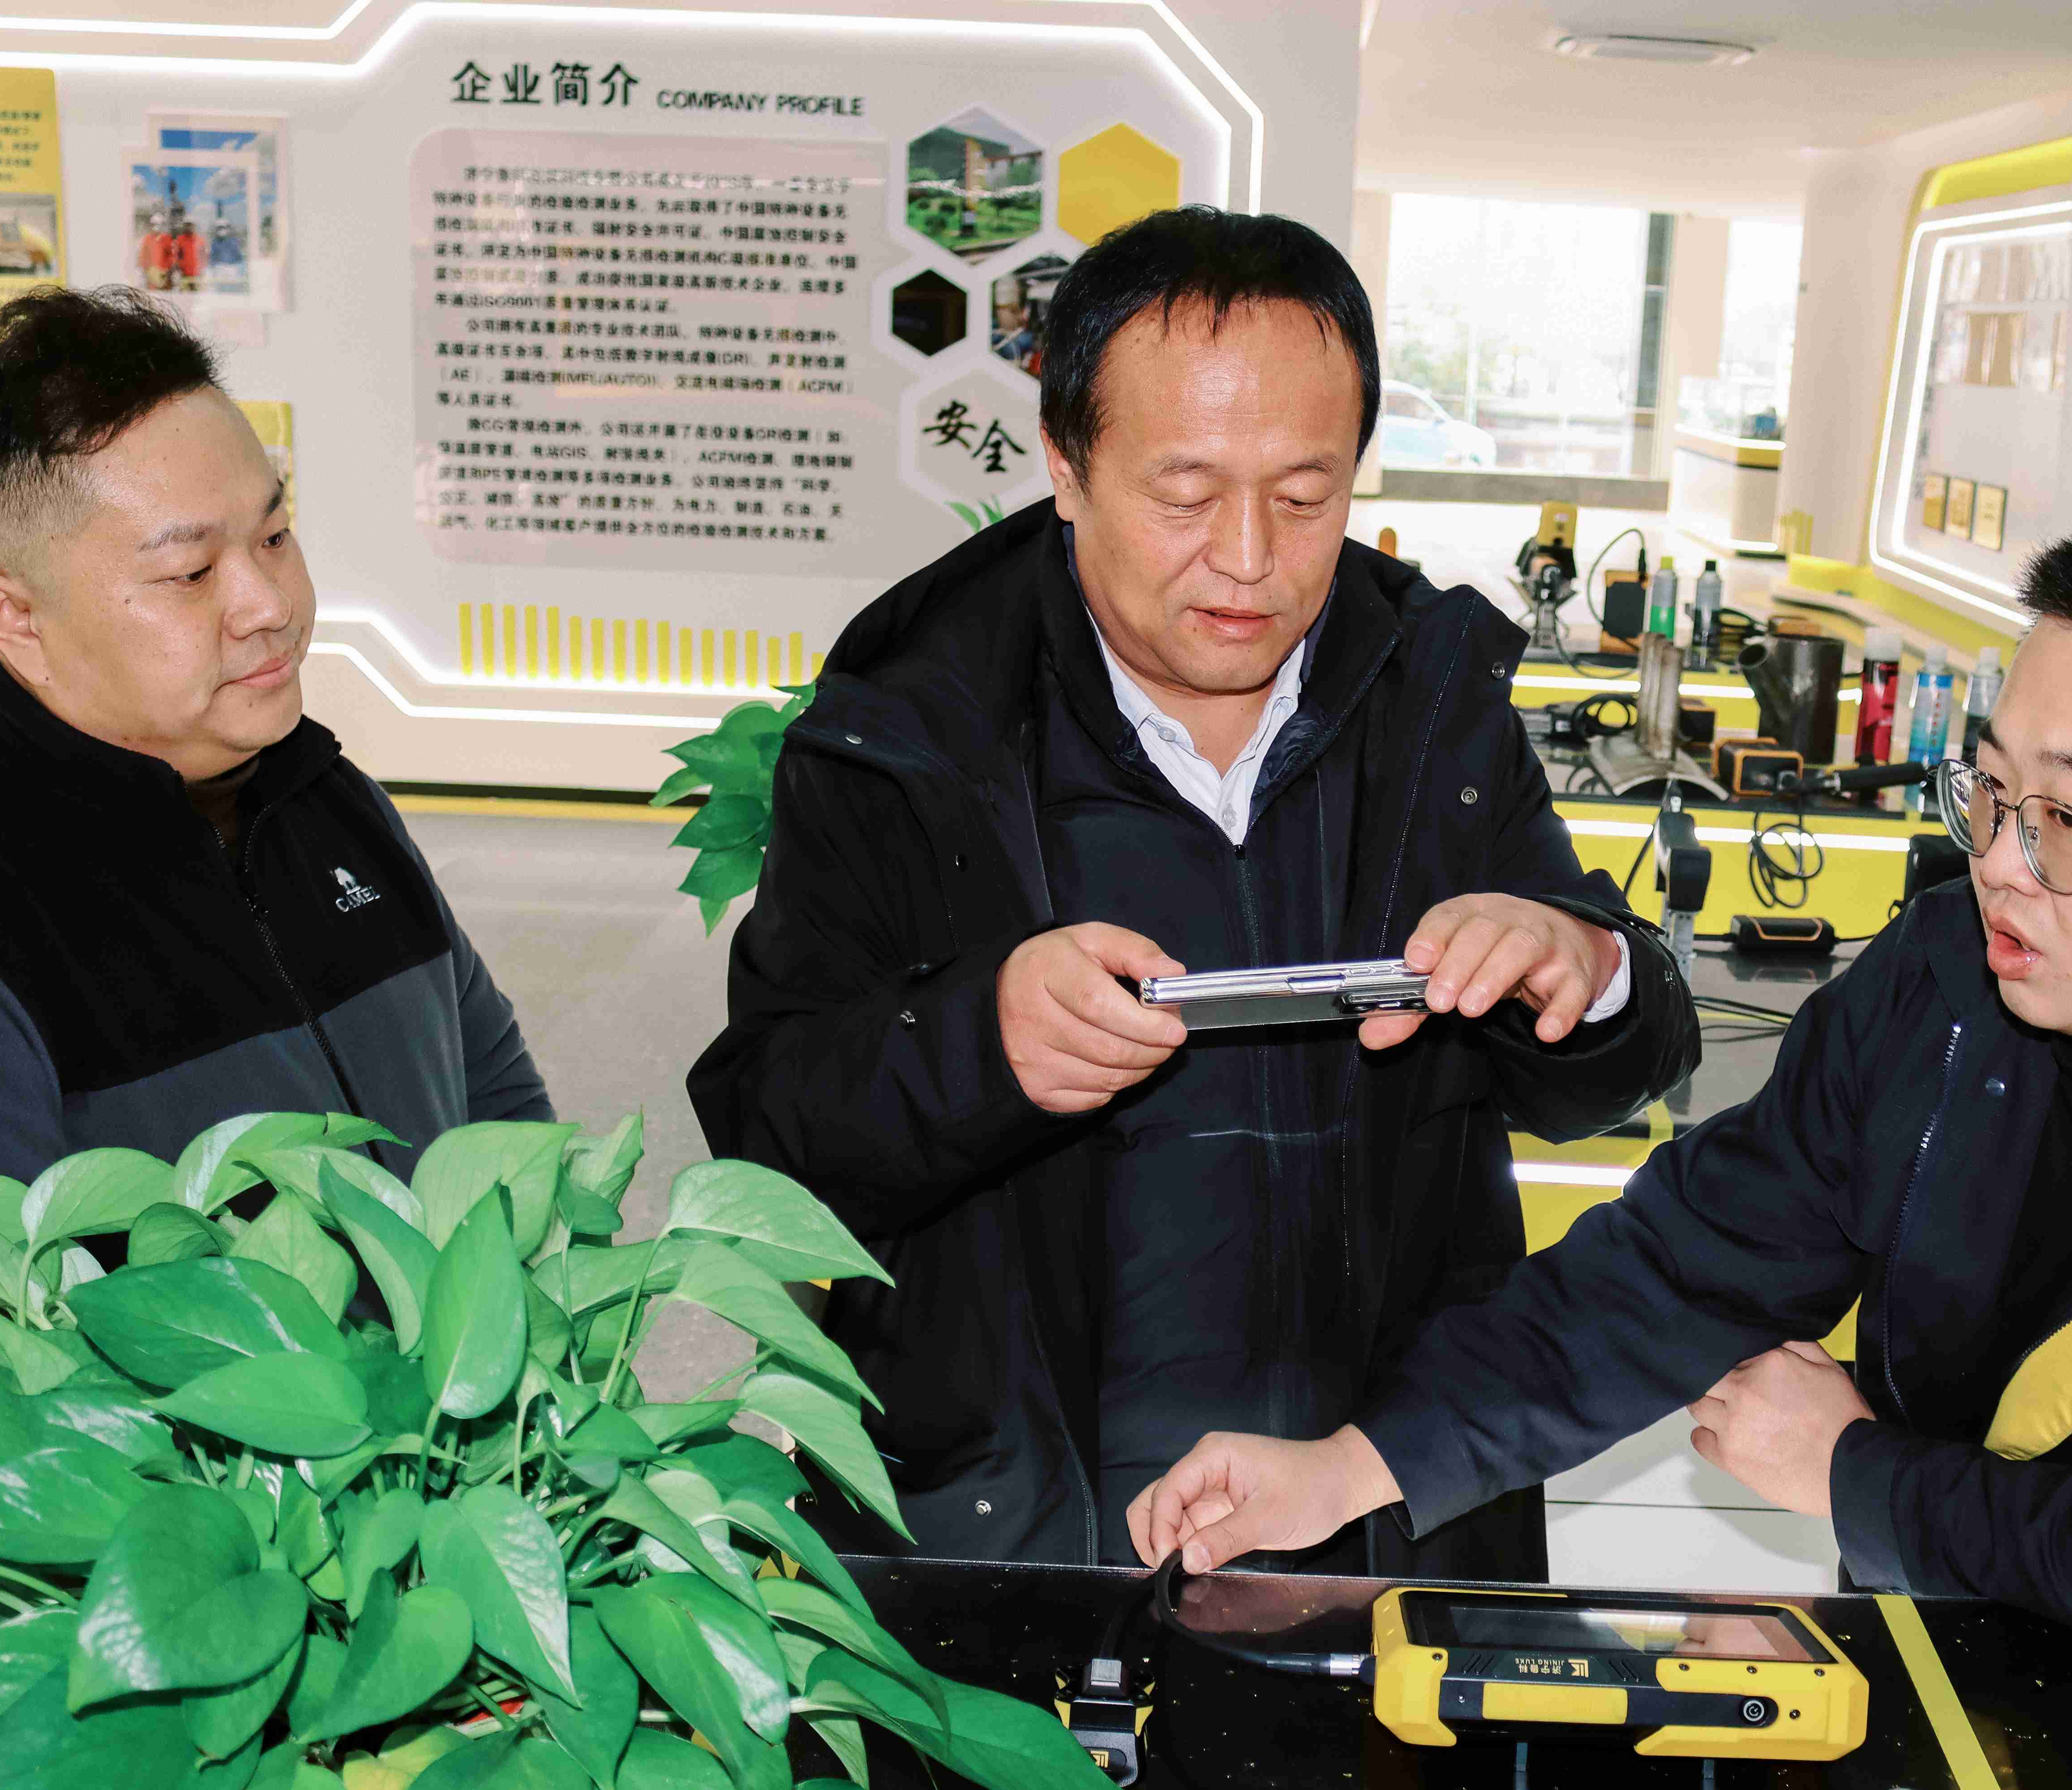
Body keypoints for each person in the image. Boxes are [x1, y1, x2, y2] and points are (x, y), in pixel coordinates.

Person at [1129, 505, 2072, 1667]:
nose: (2001, 865)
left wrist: (1859, 1481)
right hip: (1931, 1650)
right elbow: (1682, 1268)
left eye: (2070, 822)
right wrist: (1357, 1466)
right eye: (1991, 793)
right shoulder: (1951, 982)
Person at [690, 208, 1697, 1578]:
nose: (1248, 557)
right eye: (1184, 493)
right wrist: (978, 1044)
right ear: (1065, 465)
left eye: (1307, 496)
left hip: (1377, 1509)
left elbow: (1608, 1075)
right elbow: (769, 1141)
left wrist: (1585, 968)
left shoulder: (1432, 700)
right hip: (1019, 1530)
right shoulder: (909, 734)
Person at [0, 284, 550, 1368]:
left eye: (275, 534)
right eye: (189, 572)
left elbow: (502, 1117)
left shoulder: (322, 796)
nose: (269, 603)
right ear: (15, 616)